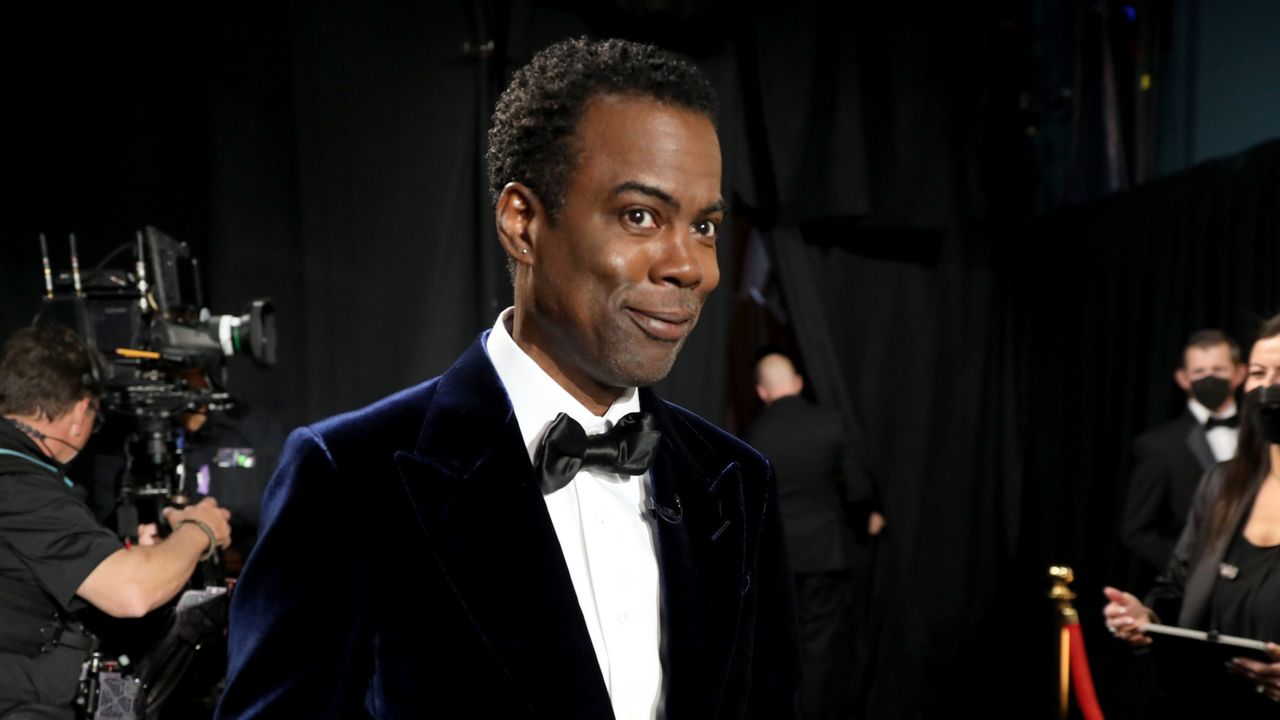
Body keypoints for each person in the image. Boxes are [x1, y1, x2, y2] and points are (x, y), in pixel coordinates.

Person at [216, 37, 801, 719]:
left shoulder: (736, 483)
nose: (691, 267)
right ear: (522, 223)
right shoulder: (350, 478)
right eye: (640, 216)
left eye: (703, 226)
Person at [0, 324, 232, 719]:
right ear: (79, 413)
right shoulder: (17, 483)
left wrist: (146, 558)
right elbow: (132, 593)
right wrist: (200, 530)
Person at [1104, 313, 1280, 714]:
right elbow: (1176, 588)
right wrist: (1144, 617)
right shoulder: (1221, 485)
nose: (1269, 387)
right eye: (1258, 372)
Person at [743, 351, 882, 720]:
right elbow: (856, 489)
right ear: (799, 383)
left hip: (774, 558)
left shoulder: (752, 435)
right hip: (825, 553)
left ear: (762, 391)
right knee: (821, 646)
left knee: (776, 640)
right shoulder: (831, 424)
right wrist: (869, 516)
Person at [1122, 329, 1246, 589]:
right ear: (1183, 378)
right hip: (1192, 589)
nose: (1209, 378)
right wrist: (1190, 569)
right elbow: (1139, 531)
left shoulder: (1262, 434)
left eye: (1218, 369)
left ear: (1239, 373)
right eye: (1199, 372)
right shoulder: (1159, 446)